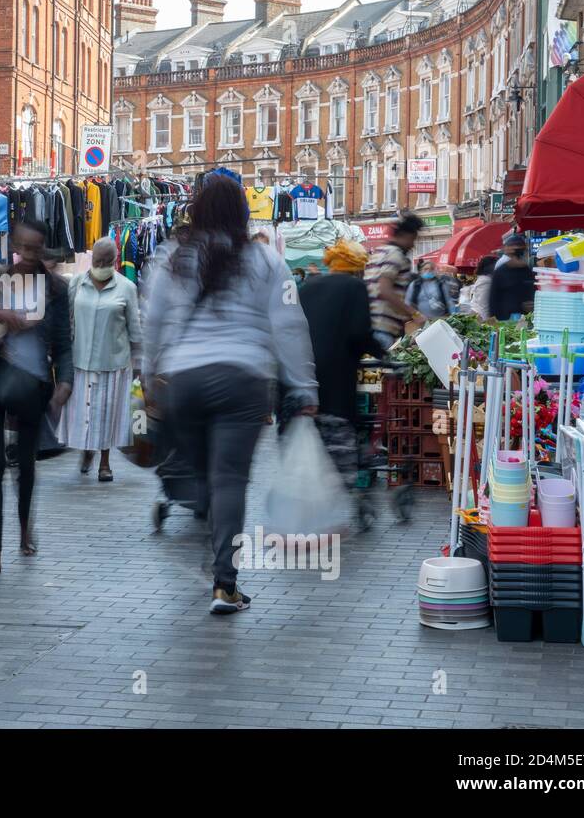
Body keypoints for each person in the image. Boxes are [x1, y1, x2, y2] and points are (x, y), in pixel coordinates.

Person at [142, 175, 318, 615]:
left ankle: (213, 538)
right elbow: (290, 325)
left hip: (184, 381)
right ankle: (225, 583)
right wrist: (304, 385)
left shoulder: (171, 257)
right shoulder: (264, 259)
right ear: (242, 212)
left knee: (206, 477)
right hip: (244, 380)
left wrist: (149, 379)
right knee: (230, 481)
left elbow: (153, 322)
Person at [0, 218, 73, 580]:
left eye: (36, 248)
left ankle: (23, 528)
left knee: (27, 467)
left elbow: (64, 342)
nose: (30, 255)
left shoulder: (57, 290)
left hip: (33, 386)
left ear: (43, 248)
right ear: (14, 244)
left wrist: (64, 382)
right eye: (24, 247)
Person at [299, 241, 384, 517]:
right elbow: (360, 333)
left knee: (313, 438)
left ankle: (311, 495)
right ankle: (338, 499)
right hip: (338, 379)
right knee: (339, 438)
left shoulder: (308, 286)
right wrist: (381, 353)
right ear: (357, 270)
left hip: (304, 378)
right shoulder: (355, 288)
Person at [59, 237, 142, 483]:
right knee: (85, 413)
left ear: (114, 261)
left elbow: (134, 329)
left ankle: (104, 463)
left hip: (113, 361)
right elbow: (68, 321)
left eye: (107, 261)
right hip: (81, 360)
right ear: (92, 259)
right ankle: (87, 451)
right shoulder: (76, 283)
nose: (102, 264)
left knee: (106, 414)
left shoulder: (127, 288)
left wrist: (139, 365)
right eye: (98, 260)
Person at [365, 212, 423, 351]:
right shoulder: (396, 255)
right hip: (382, 329)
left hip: (369, 325)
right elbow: (384, 290)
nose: (412, 245)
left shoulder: (379, 252)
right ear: (405, 235)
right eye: (412, 240)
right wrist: (415, 314)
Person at [488, 232, 536, 322]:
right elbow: (493, 300)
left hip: (523, 320)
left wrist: (531, 304)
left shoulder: (527, 271)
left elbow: (532, 293)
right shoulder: (500, 271)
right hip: (504, 320)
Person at [466, 254, 497, 320]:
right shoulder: (486, 281)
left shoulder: (484, 279)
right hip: (480, 316)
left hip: (478, 314)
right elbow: (483, 304)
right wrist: (486, 322)